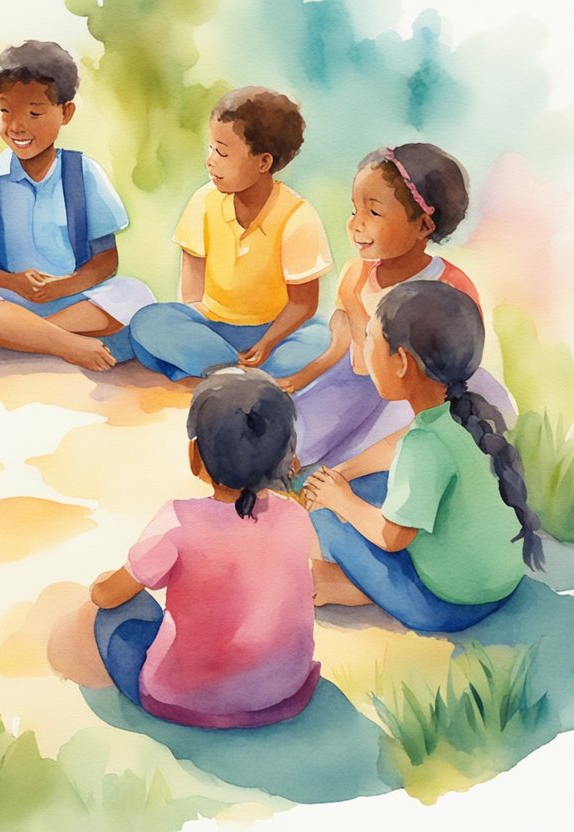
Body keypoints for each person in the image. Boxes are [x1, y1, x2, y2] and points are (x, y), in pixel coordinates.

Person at [86, 368, 320, 728]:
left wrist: (100, 586)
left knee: (115, 616)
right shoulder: (296, 517)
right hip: (287, 694)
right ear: (288, 458)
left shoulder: (177, 522)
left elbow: (107, 597)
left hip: (184, 701)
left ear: (195, 456)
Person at [304, 281, 543, 632]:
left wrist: (339, 499)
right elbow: (394, 447)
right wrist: (344, 472)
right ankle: (355, 581)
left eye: (370, 338)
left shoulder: (424, 445)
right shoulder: (468, 415)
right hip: (500, 582)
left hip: (443, 605)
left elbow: (392, 538)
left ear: (401, 362)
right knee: (367, 486)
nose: (364, 346)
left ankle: (335, 585)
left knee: (327, 517)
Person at [0, 40, 154, 369]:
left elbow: (105, 260)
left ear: (65, 112)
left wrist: (62, 286)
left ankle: (21, 336)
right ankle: (62, 343)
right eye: (5, 110)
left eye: (34, 112)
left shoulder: (83, 173)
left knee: (135, 293)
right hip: (3, 301)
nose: (17, 125)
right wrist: (15, 283)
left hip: (70, 302)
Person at [282, 143, 515, 468]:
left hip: (417, 397)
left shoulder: (448, 287)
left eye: (373, 212)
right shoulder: (357, 273)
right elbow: (347, 352)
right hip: (360, 381)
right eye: (355, 210)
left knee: (370, 452)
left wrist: (352, 299)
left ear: (423, 225)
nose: (356, 224)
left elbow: (445, 375)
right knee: (300, 427)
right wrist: (302, 379)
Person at [130, 87, 331, 386]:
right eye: (211, 149)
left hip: (274, 331)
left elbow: (303, 303)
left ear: (264, 163)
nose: (210, 161)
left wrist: (266, 344)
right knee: (148, 322)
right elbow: (192, 292)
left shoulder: (297, 217)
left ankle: (218, 370)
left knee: (322, 337)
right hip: (212, 326)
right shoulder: (204, 200)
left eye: (222, 152)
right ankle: (233, 370)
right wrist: (195, 332)